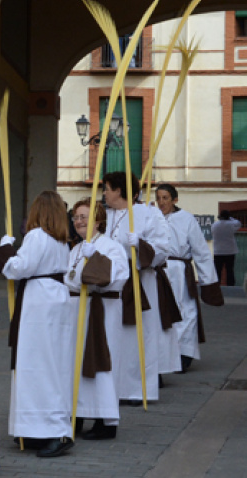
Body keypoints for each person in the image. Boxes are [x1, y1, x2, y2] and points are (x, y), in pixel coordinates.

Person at [0, 190, 74, 458]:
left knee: (38, 366)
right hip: (55, 298)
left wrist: (6, 251)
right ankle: (37, 428)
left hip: (39, 302)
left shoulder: (37, 236)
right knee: (50, 365)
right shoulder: (62, 241)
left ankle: (56, 430)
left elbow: (19, 268)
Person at [101, 172, 172, 405]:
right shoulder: (103, 215)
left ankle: (136, 389)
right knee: (111, 335)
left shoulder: (148, 214)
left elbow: (163, 248)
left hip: (139, 282)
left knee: (137, 337)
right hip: (109, 285)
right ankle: (111, 387)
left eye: (107, 188)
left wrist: (140, 245)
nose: (103, 193)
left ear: (120, 191)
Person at [65, 199, 129, 441]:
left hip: (101, 314)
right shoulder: (76, 248)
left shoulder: (111, 247)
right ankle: (77, 414)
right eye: (76, 218)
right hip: (76, 313)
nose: (79, 222)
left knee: (101, 364)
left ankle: (105, 420)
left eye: (84, 217)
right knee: (75, 365)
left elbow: (117, 277)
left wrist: (98, 259)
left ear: (98, 220)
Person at [156, 184, 224, 372]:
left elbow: (201, 251)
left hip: (179, 271)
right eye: (158, 198)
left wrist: (208, 281)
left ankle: (184, 354)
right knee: (161, 312)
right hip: (158, 271)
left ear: (175, 199)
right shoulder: (152, 218)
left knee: (186, 310)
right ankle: (164, 354)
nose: (161, 202)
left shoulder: (187, 219)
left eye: (165, 198)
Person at [211, 210, 242, 286]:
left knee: (218, 270)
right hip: (230, 251)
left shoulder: (215, 225)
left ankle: (216, 286)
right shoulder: (231, 224)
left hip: (218, 251)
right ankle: (230, 286)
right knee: (229, 270)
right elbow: (239, 223)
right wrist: (230, 218)